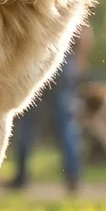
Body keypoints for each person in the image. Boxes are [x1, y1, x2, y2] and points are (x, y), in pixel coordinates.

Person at [8, 22, 93, 194]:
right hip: (62, 60)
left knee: (26, 120)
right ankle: (72, 176)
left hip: (34, 58)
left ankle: (21, 177)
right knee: (66, 123)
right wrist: (79, 63)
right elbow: (84, 32)